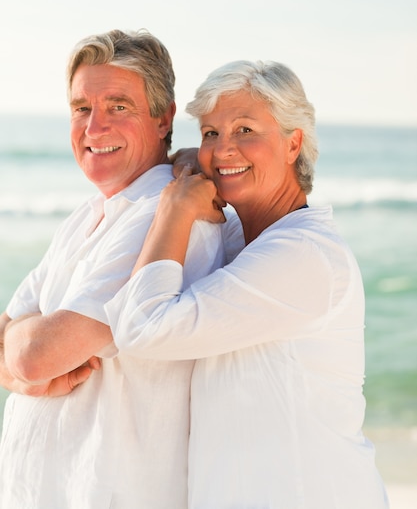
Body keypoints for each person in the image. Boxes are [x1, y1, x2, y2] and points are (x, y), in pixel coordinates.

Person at [106, 60, 389, 508]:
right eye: (211, 134)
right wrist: (185, 169)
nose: (222, 151)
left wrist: (174, 210)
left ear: (293, 142)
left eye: (245, 130)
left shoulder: (304, 255)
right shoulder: (244, 238)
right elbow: (191, 164)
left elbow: (142, 328)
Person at [0, 29, 226, 509]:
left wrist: (25, 361)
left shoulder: (168, 216)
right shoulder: (89, 214)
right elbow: (9, 336)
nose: (94, 127)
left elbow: (33, 353)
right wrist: (21, 370)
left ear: (163, 118)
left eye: (118, 106)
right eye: (82, 108)